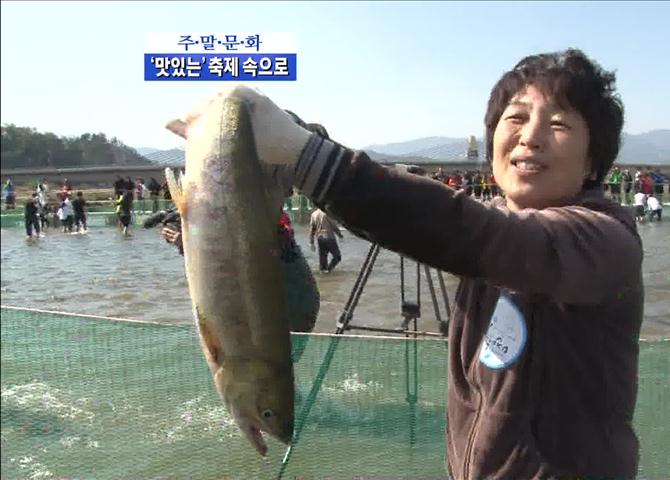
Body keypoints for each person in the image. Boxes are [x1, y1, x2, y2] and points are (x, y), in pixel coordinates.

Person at [168, 48, 644, 479]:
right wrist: (300, 153)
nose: (531, 137)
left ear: (593, 161)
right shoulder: (492, 223)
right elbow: (426, 215)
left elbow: (471, 233)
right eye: (515, 118)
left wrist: (308, 157)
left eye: (558, 125)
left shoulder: (604, 240)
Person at [308, 207, 344, 273]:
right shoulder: (326, 214)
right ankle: (329, 269)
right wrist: (340, 235)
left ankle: (323, 272)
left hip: (320, 238)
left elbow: (312, 230)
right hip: (329, 237)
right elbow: (334, 226)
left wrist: (311, 242)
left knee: (323, 259)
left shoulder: (313, 214)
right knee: (337, 256)